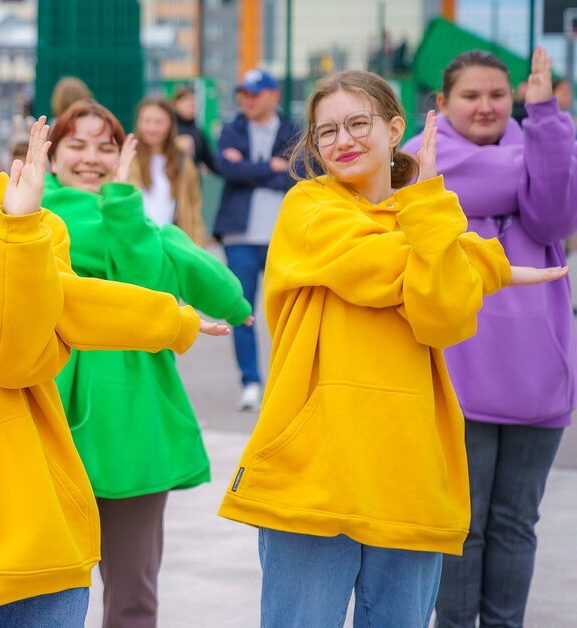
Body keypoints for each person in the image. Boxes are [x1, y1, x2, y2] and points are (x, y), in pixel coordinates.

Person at [0, 50, 229, 626]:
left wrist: (21, 234)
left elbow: (14, 361)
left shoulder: (36, 221)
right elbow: (55, 299)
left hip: (37, 513)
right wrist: (164, 316)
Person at [216, 70, 565, 628]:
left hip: (407, 472)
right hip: (316, 473)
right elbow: (387, 268)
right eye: (326, 131)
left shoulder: (422, 217)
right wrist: (478, 259)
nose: (343, 141)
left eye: (359, 123)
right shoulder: (309, 208)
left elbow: (443, 316)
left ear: (394, 129)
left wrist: (438, 225)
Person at [41, 99, 251, 628]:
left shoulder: (138, 224)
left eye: (106, 148)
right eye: (77, 144)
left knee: (133, 596)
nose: (91, 158)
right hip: (44, 418)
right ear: (50, 156)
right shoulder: (27, 223)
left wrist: (123, 202)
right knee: (39, 594)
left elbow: (155, 286)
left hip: (134, 427)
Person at [403, 48, 577, 628]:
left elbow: (555, 219)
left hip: (537, 377)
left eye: (499, 96)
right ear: (442, 104)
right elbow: (427, 192)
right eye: (470, 96)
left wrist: (547, 118)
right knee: (462, 524)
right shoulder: (416, 162)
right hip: (457, 375)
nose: (485, 106)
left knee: (515, 524)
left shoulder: (540, 145)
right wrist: (540, 155)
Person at [214, 68, 300, 411]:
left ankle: (287, 381)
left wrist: (253, 169)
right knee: (243, 311)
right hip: (239, 236)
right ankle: (251, 381)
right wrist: (272, 168)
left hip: (284, 236)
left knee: (289, 314)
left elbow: (301, 171)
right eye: (243, 94)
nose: (247, 100)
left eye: (255, 93)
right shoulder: (231, 130)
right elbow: (229, 170)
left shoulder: (294, 131)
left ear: (273, 95)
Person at [132, 96, 207, 244]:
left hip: (172, 245)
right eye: (146, 121)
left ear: (170, 124)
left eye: (159, 122)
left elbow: (193, 209)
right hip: (137, 244)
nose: (152, 128)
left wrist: (197, 246)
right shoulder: (128, 159)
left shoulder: (183, 162)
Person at [171, 86, 216, 174]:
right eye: (186, 99)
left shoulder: (198, 132)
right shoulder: (168, 128)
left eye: (193, 99)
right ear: (176, 104)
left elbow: (211, 161)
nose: (191, 103)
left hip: (192, 184)